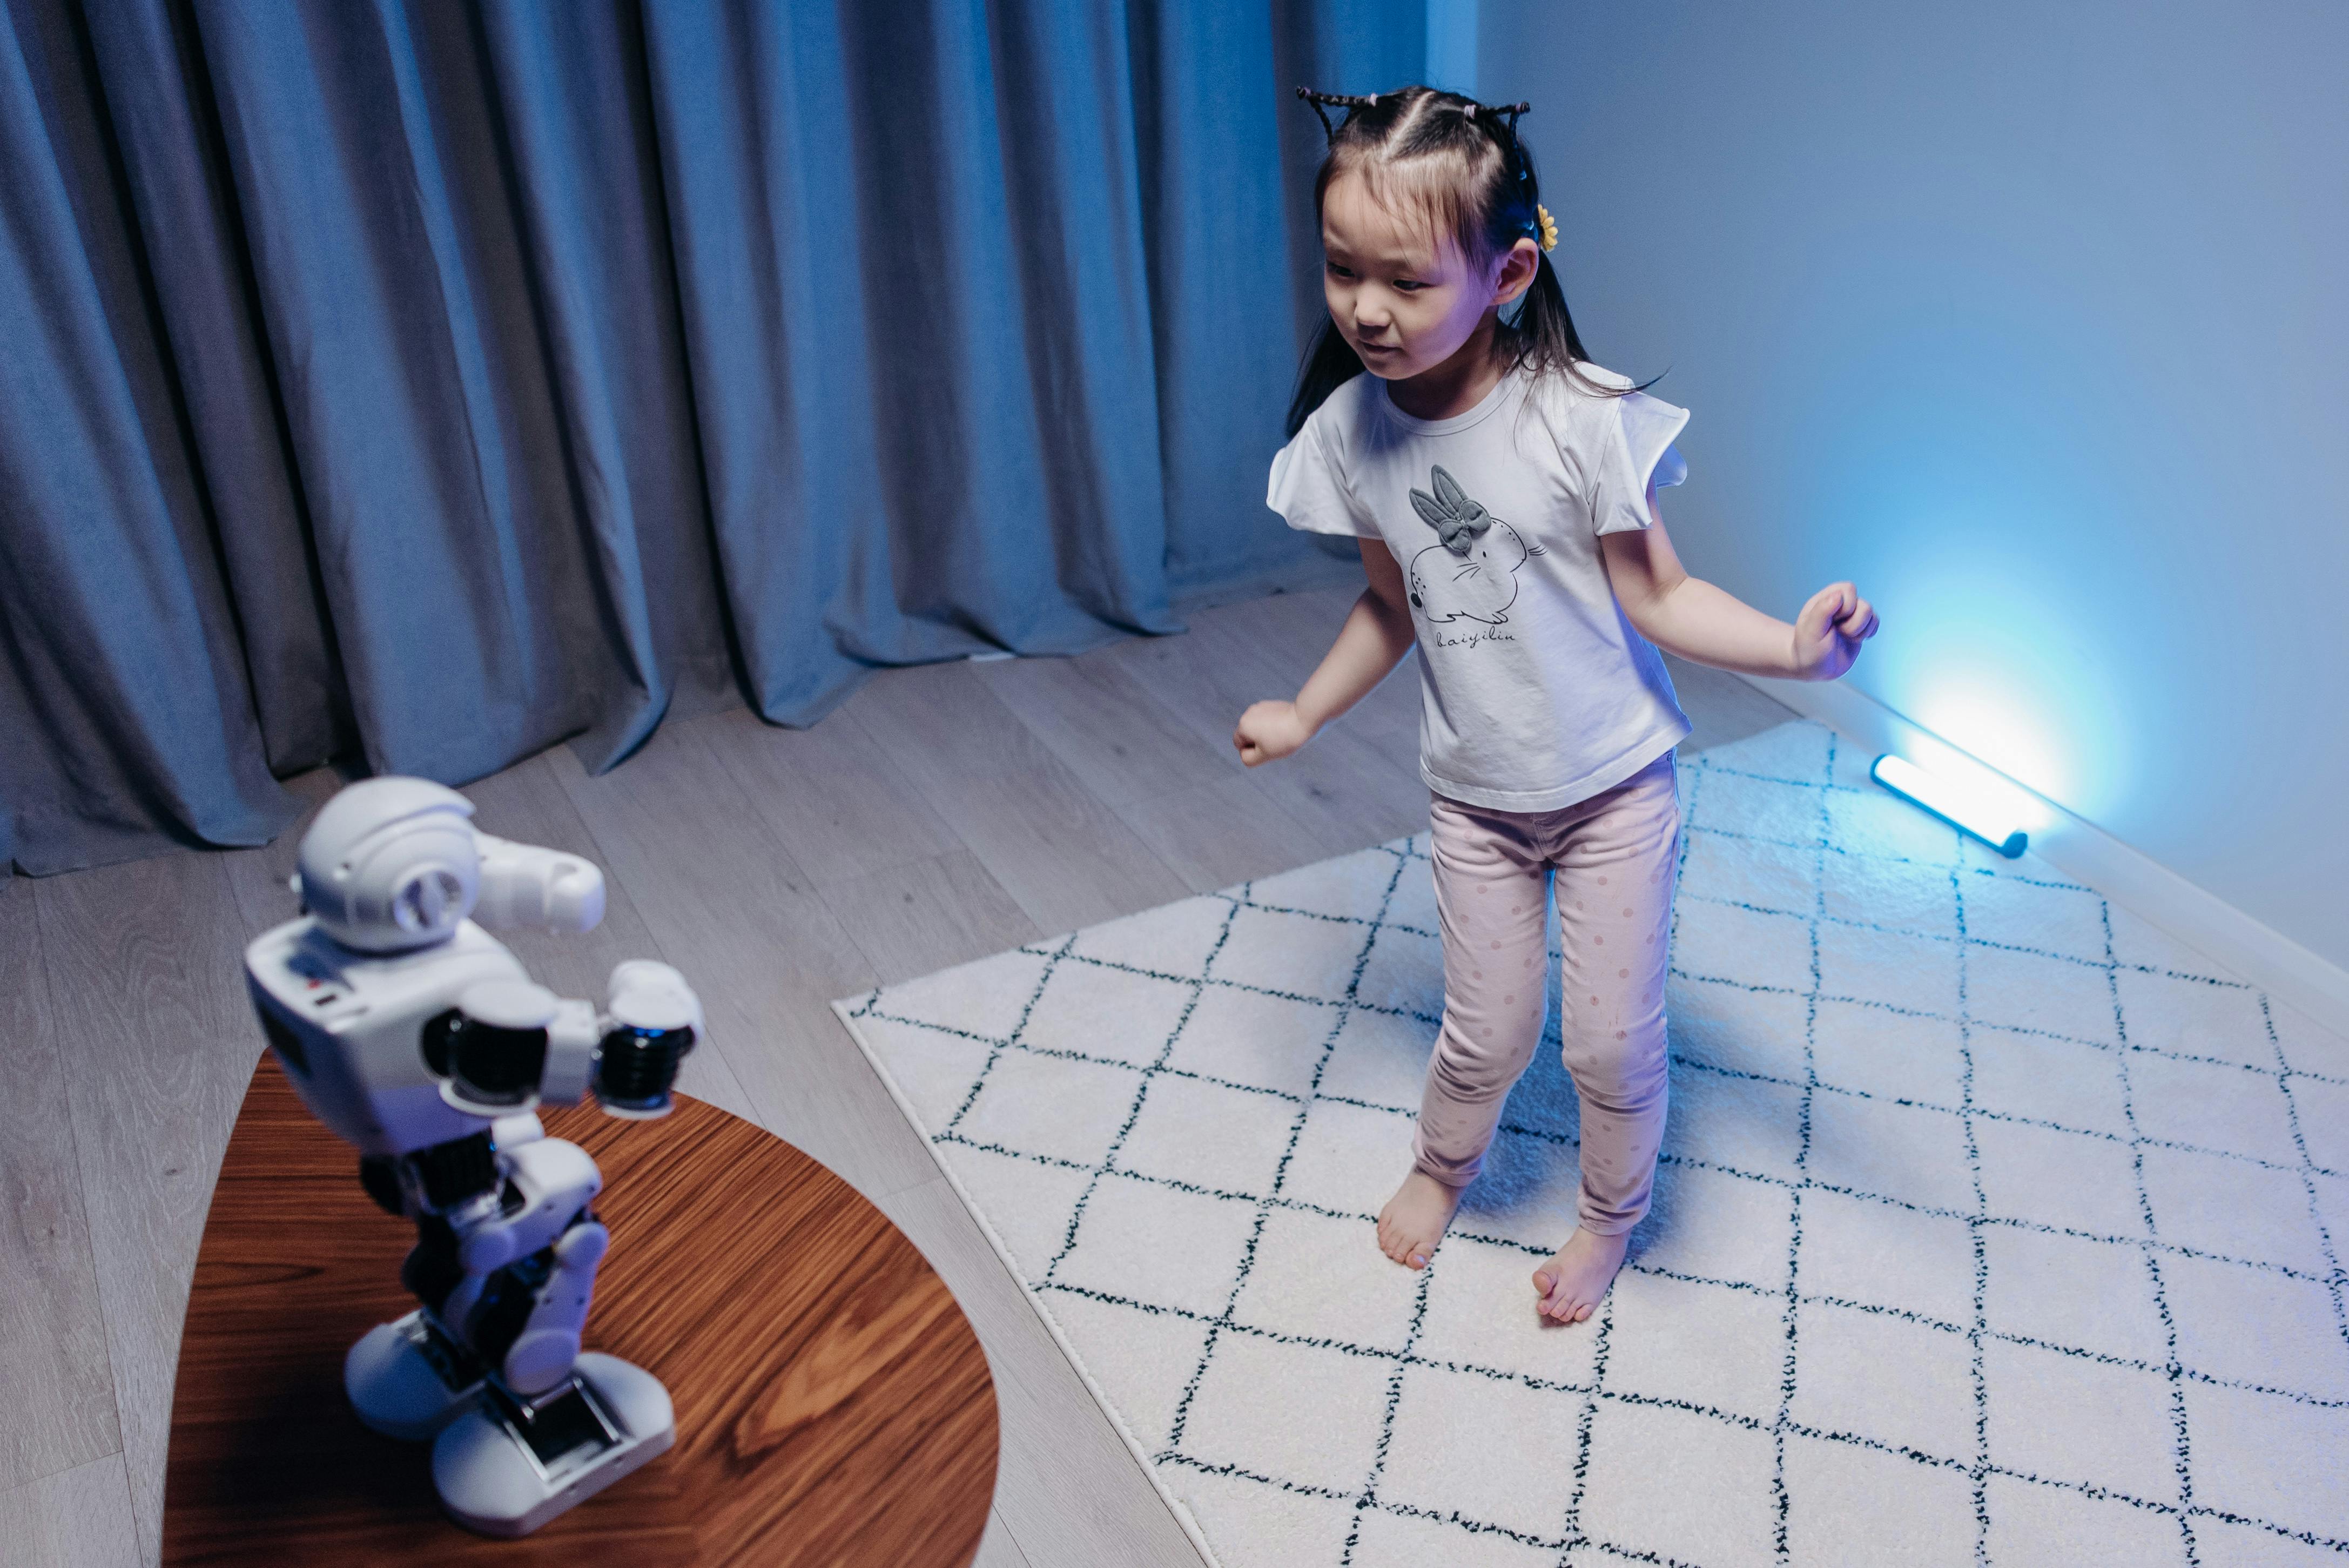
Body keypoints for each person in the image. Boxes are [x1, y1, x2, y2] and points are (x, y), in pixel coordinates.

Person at [1234, 85, 1877, 1324]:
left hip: (1614, 793)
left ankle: (1608, 1220)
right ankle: (1441, 1165)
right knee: (1484, 1034)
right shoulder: (1351, 434)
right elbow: (1392, 606)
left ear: (1508, 270)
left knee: (1606, 1047)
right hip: (1476, 798)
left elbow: (1665, 597)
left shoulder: (1579, 417)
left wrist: (1797, 653)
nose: (1366, 309)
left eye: (1407, 281)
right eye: (1341, 271)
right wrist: (1307, 713)